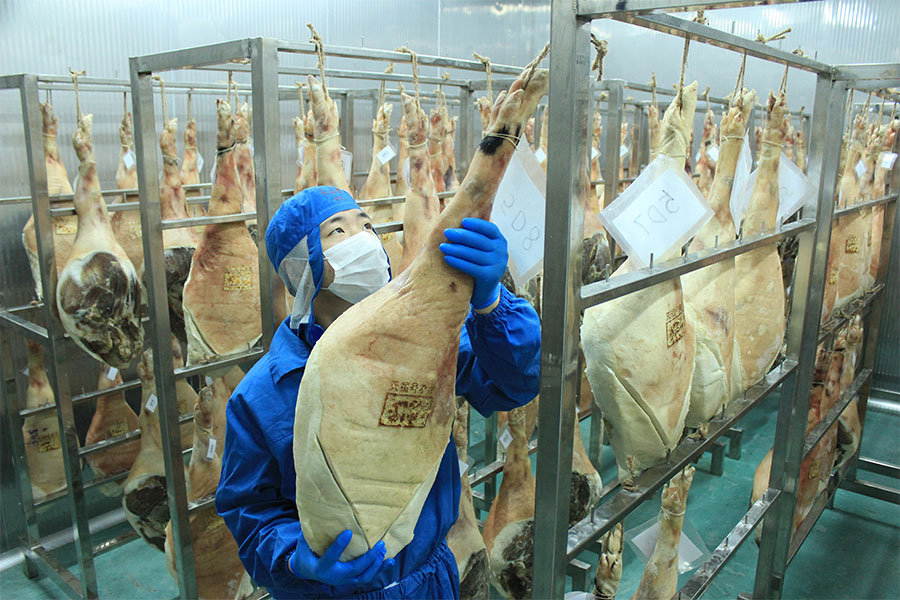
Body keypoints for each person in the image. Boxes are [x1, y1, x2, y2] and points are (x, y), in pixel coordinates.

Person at [216, 185, 541, 599]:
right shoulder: (261, 394)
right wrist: (296, 558)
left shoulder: (423, 341)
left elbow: (513, 384)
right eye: (337, 231)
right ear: (301, 268)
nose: (365, 240)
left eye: (367, 225)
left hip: (430, 581)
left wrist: (491, 305)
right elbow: (250, 509)